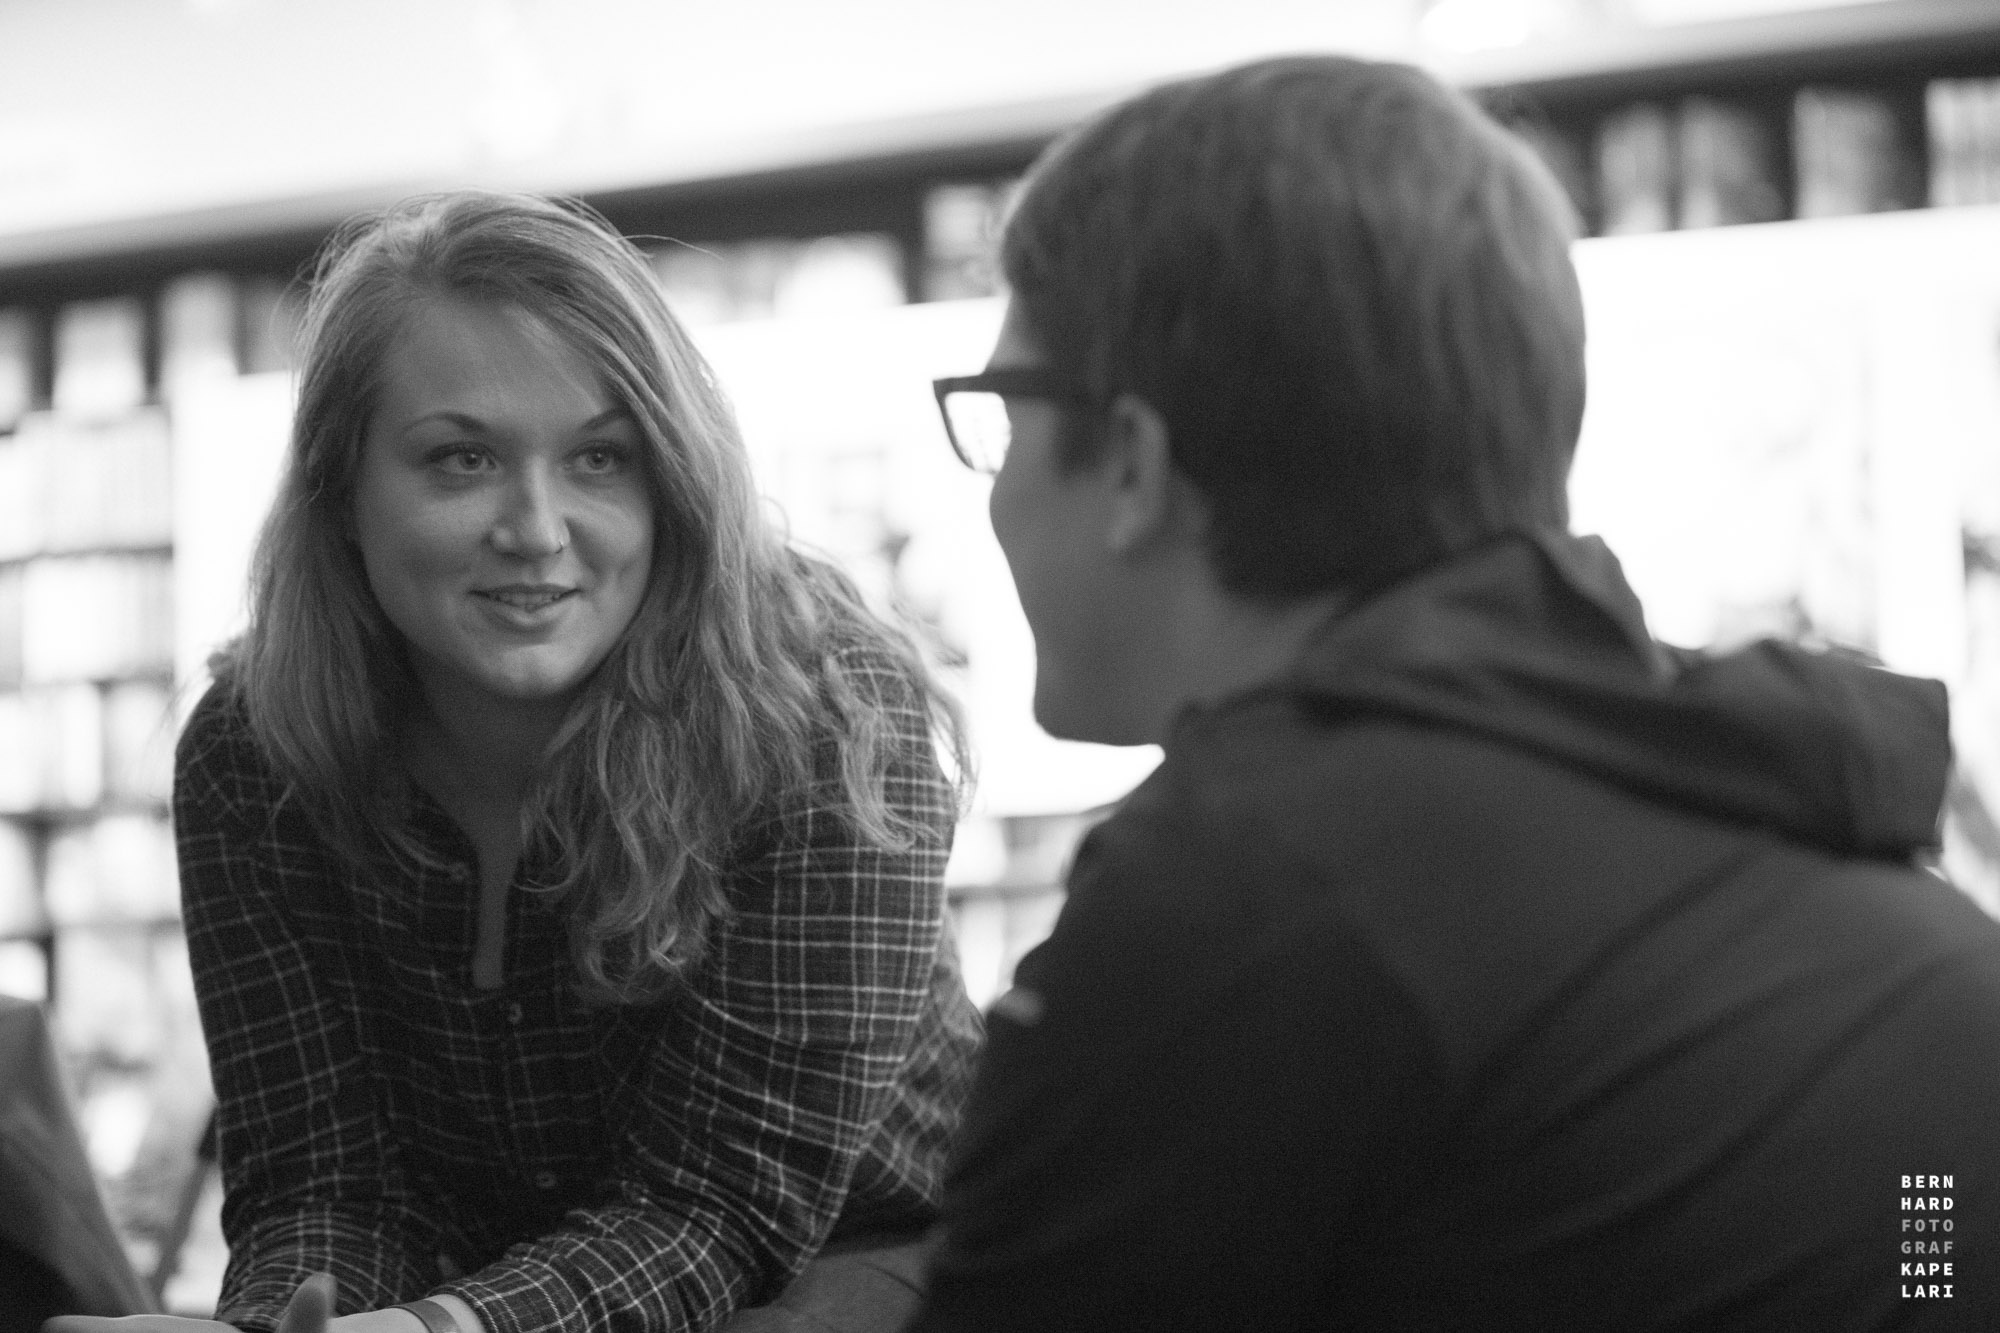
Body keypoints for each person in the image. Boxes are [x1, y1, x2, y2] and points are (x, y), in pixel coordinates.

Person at [910, 55, 2000, 1331]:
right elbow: (1928, 1245)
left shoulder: (1240, 894)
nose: (992, 489)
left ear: (1134, 464)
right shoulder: (1769, 774)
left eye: (1000, 413)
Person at [51, 191, 980, 1333]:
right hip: (499, 1282)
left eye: (600, 457)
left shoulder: (823, 714)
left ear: (673, 482)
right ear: (342, 491)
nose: (537, 528)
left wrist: (440, 1327)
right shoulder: (256, 752)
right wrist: (288, 1325)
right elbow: (325, 1186)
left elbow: (718, 1207)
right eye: (462, 459)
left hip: (858, 1254)